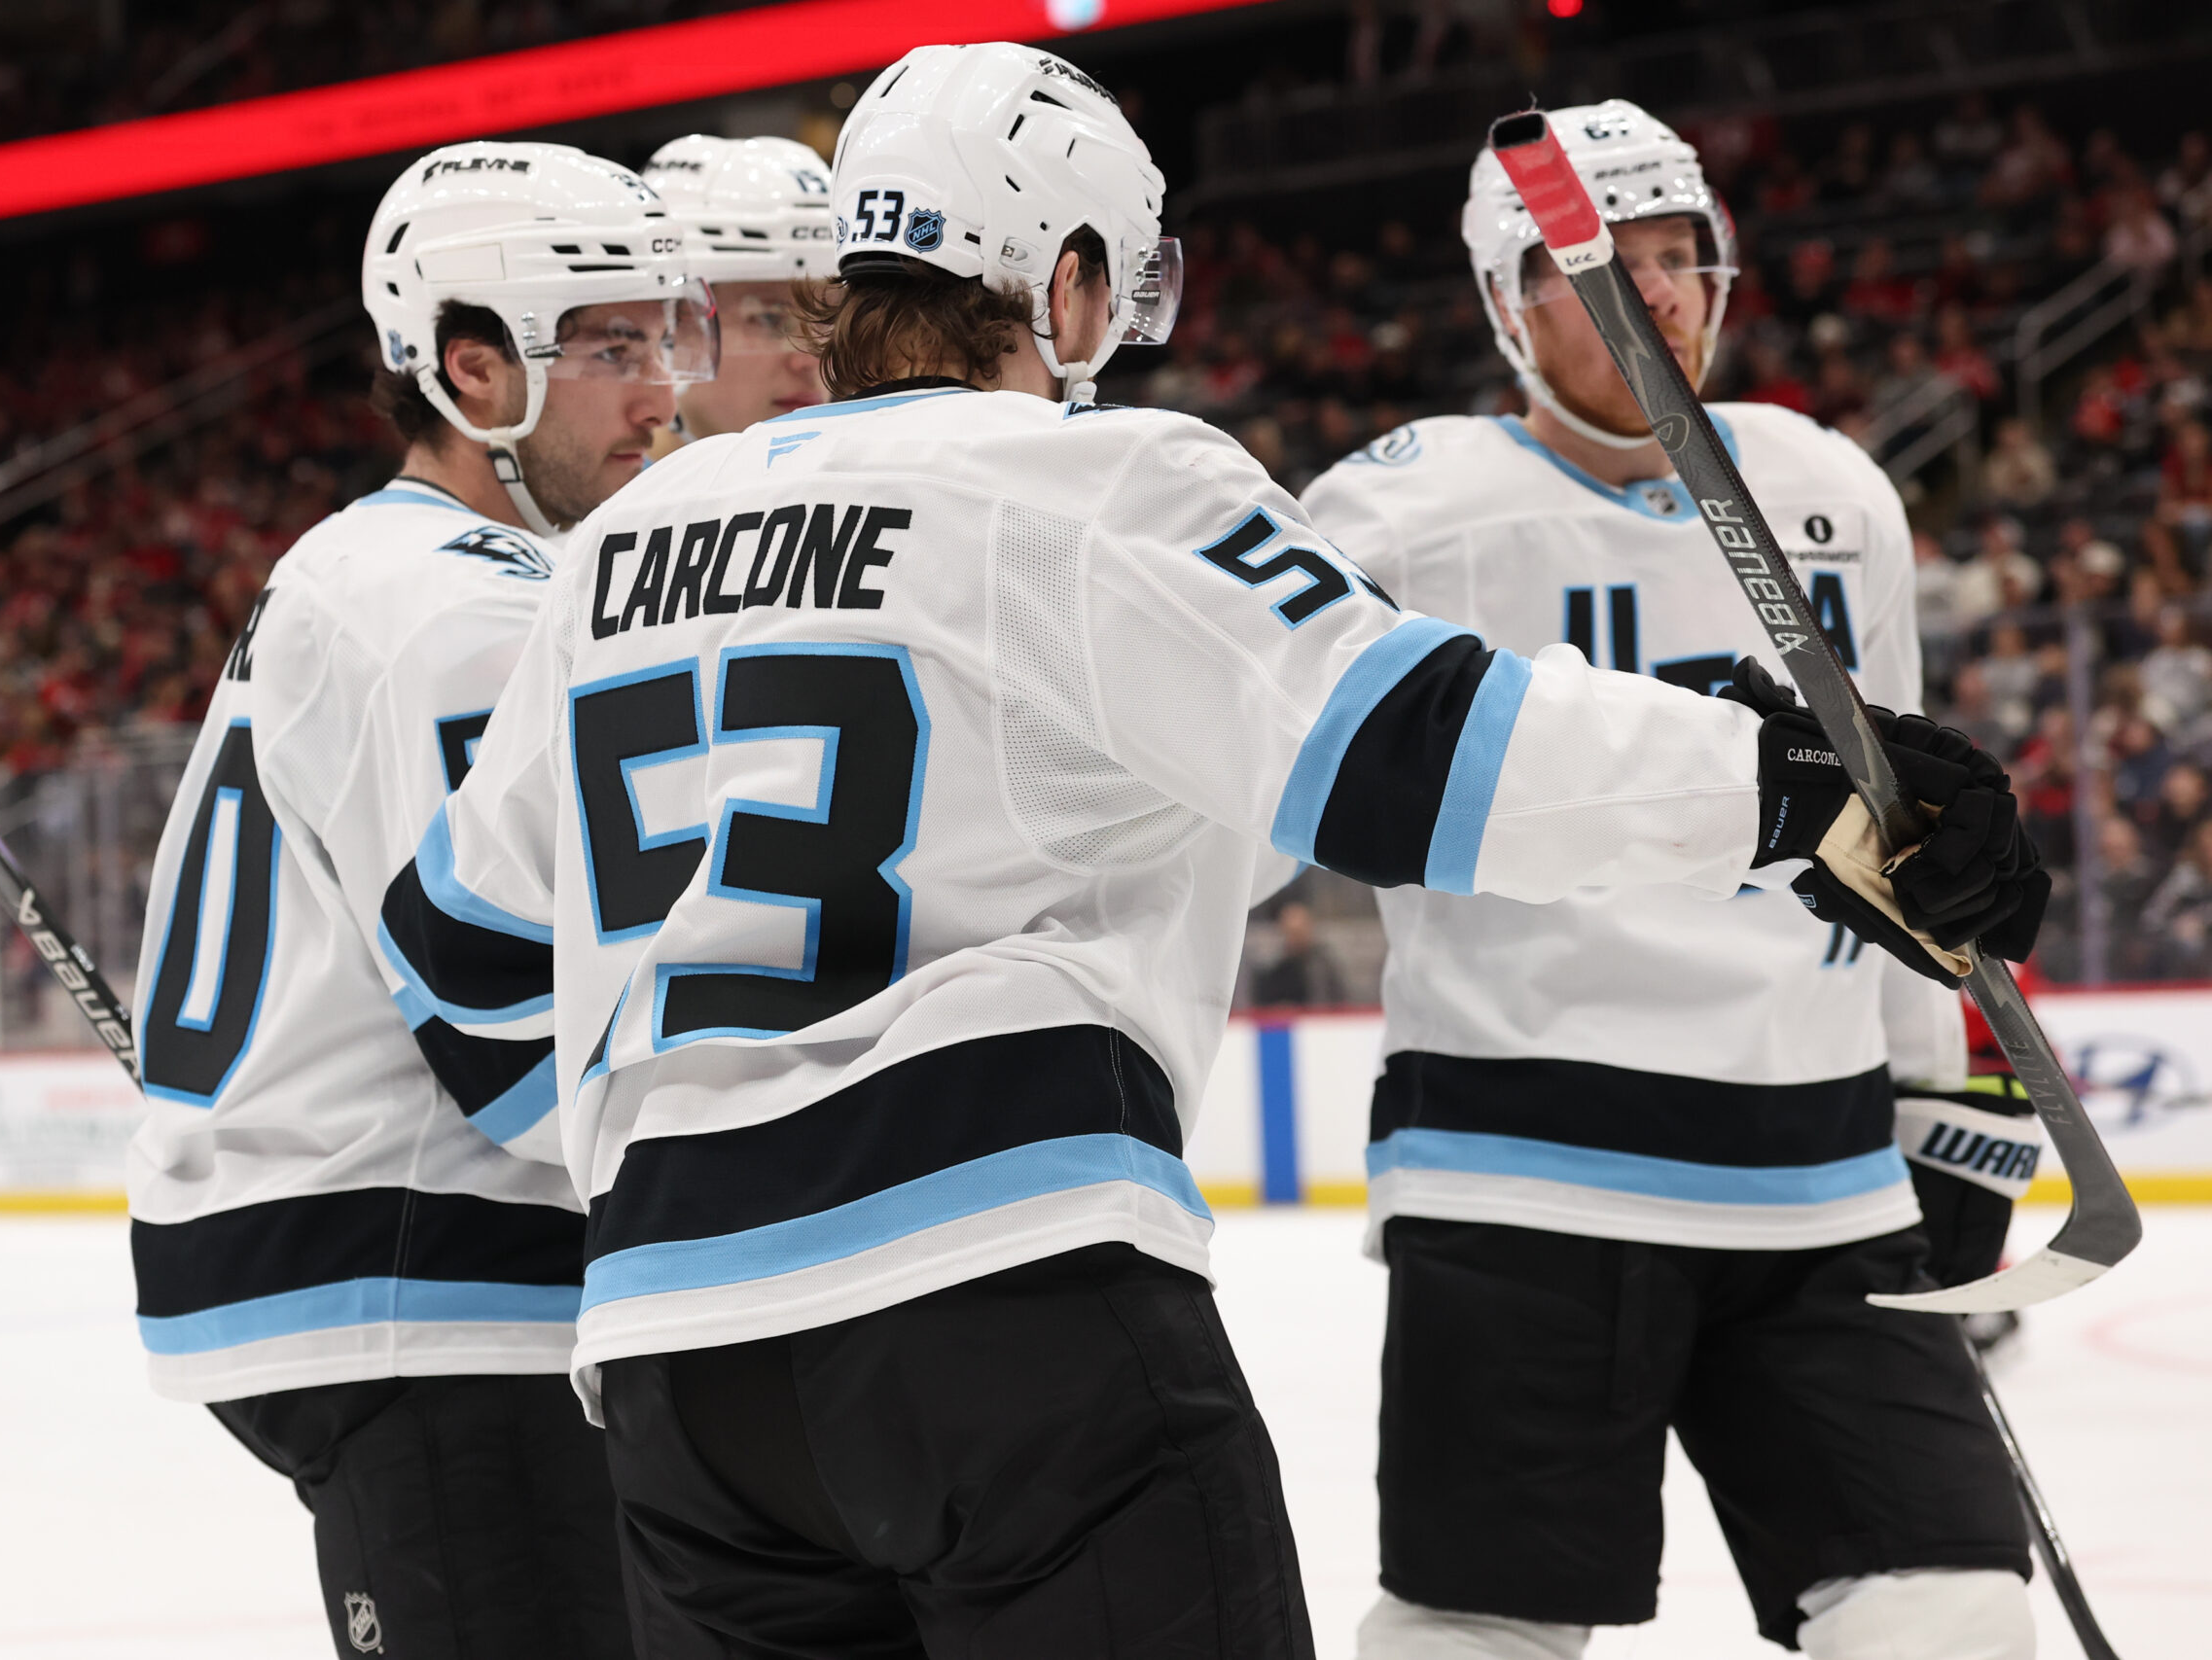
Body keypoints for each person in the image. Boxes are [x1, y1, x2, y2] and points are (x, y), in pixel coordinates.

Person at [379, 49, 2044, 1658]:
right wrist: (1799, 779)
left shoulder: (624, 551)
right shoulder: (1098, 480)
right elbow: (1428, 753)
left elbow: (452, 937)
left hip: (681, 1367)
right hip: (999, 1308)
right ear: (1076, 278)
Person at [1302, 100, 2048, 1660]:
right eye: (1596, 269)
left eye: (1676, 256)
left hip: (1819, 1174)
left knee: (1956, 1606)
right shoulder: (1401, 515)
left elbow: (1914, 854)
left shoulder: (1830, 489)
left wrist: (1947, 1108)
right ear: (1509, 303)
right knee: (1481, 1628)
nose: (1654, 298)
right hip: (1519, 1162)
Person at [125, 140, 715, 1660]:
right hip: (422, 1278)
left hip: (378, 1247)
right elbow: (511, 1020)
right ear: (472, 369)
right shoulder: (459, 603)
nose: (663, 389)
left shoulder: (388, 566)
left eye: (666, 337)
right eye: (608, 348)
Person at [643, 133, 835, 441]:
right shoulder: (598, 490)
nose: (811, 360)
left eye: (829, 318)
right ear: (665, 328)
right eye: (769, 319)